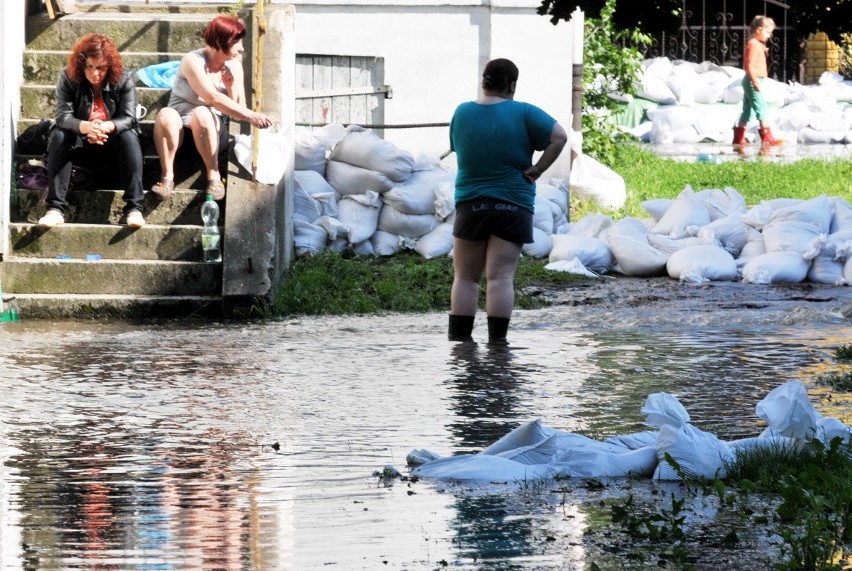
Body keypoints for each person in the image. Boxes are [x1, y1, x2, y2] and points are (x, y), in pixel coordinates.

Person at [448, 58, 567, 344]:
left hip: (471, 203)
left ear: (483, 82)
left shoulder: (462, 112)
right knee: (500, 278)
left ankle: (460, 347)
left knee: (465, 277)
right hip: (513, 204)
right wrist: (538, 169)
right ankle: (497, 348)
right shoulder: (524, 112)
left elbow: (458, 147)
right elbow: (560, 136)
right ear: (512, 84)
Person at [150, 14, 273, 201]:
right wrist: (252, 116)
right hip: (180, 135)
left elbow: (239, 110)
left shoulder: (234, 66)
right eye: (236, 42)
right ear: (219, 41)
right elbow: (212, 97)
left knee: (202, 113)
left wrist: (231, 87)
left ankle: (214, 176)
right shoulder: (193, 60)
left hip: (212, 135)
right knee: (165, 114)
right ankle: (167, 178)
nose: (241, 49)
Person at [38, 33, 145, 228]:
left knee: (129, 136)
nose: (94, 73)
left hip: (112, 149)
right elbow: (62, 116)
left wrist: (105, 126)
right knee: (60, 134)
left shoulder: (124, 78)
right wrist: (86, 127)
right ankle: (55, 208)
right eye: (89, 67)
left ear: (110, 66)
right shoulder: (69, 77)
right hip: (80, 149)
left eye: (101, 68)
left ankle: (134, 209)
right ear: (81, 64)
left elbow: (129, 118)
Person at [733, 15, 782, 148]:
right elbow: (748, 65)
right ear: (759, 30)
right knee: (762, 107)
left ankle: (738, 138)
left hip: (752, 79)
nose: (769, 36)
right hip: (751, 80)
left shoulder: (757, 44)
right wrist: (755, 82)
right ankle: (767, 138)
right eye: (768, 32)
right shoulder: (753, 44)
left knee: (747, 111)